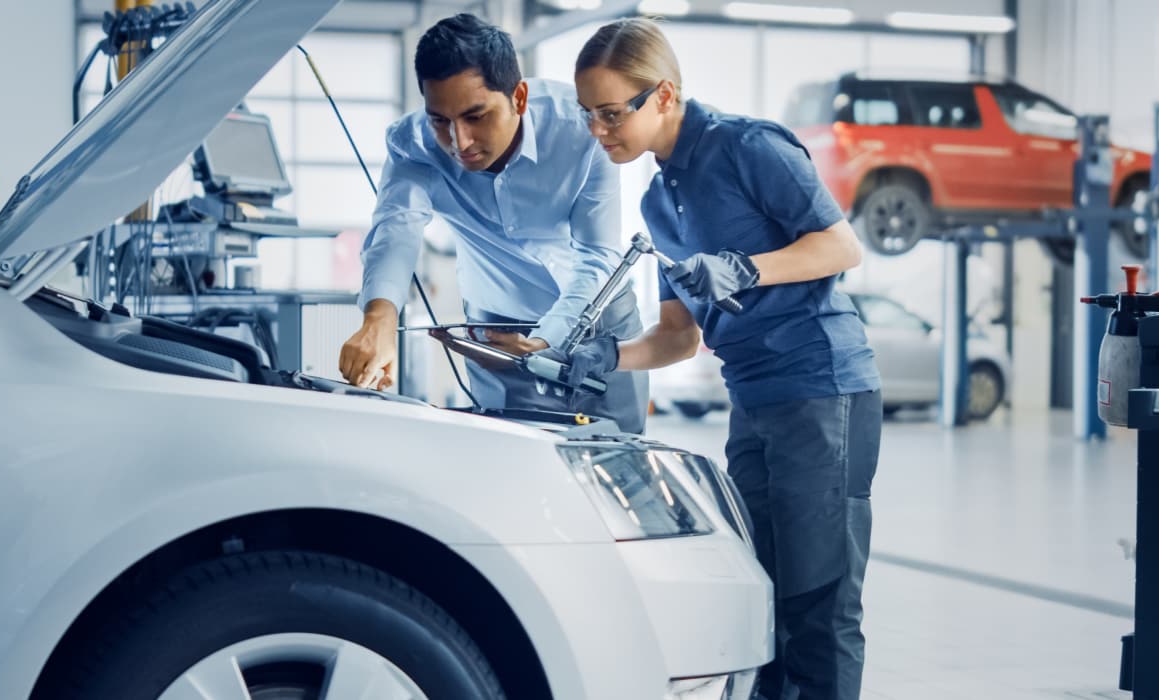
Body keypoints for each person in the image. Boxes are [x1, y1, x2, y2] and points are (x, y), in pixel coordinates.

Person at [568, 18, 883, 700]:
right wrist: (607, 355)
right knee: (762, 598)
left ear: (664, 95)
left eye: (612, 112)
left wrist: (746, 267)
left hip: (821, 389)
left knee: (818, 604)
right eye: (588, 114)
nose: (598, 130)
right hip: (753, 400)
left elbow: (840, 246)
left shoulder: (748, 147)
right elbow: (678, 336)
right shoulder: (657, 201)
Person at [337, 13, 648, 433]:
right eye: (440, 120)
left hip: (599, 319)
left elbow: (597, 254)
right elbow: (396, 229)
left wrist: (547, 338)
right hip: (497, 332)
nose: (459, 142)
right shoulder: (414, 145)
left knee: (619, 452)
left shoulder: (582, 129)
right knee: (509, 454)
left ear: (519, 97)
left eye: (476, 116)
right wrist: (379, 317)